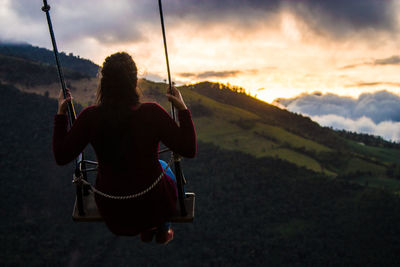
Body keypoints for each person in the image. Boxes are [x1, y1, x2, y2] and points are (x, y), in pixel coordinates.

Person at [52, 52, 196, 244]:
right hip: (154, 207)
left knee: (149, 174)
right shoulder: (151, 113)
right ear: (134, 82)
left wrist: (61, 114)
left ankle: (150, 228)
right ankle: (162, 228)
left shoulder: (90, 117)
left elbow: (61, 156)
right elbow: (189, 149)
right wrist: (182, 109)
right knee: (165, 168)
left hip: (115, 213)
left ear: (104, 83)